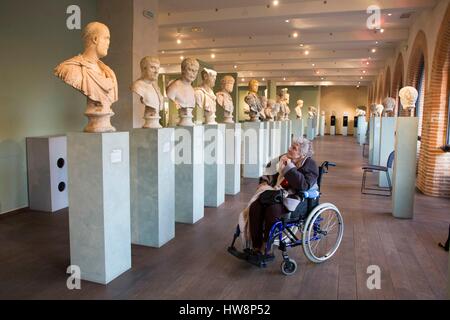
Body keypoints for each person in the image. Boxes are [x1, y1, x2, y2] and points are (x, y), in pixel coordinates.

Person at [248, 137, 319, 255]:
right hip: (277, 193)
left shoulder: (310, 164)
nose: (289, 149)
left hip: (295, 198)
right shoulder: (284, 158)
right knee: (255, 206)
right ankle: (256, 246)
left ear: (302, 154)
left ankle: (266, 246)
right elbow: (272, 173)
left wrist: (289, 167)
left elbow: (304, 185)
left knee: (272, 210)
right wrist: (264, 182)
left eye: (294, 148)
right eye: (291, 146)